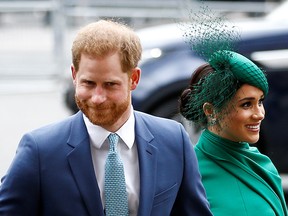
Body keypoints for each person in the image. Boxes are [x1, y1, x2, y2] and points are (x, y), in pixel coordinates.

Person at [0, 20, 212, 216]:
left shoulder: (173, 140)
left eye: (110, 85)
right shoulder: (39, 150)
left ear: (134, 79)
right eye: (88, 83)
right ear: (74, 76)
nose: (97, 98)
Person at [179, 50, 288, 215]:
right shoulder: (190, 175)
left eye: (260, 102)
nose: (259, 114)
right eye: (246, 104)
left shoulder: (262, 163)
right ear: (210, 110)